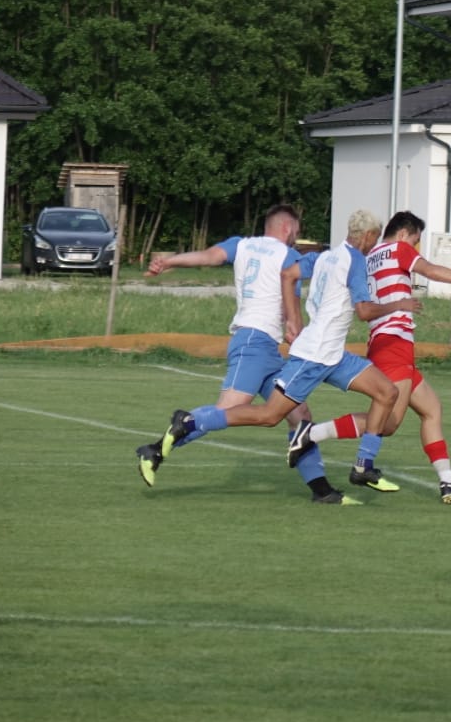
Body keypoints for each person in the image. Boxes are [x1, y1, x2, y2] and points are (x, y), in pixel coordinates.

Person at [149, 209, 419, 502]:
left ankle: (361, 467)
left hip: (332, 353)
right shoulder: (354, 260)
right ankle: (190, 422)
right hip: (313, 355)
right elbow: (364, 311)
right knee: (268, 416)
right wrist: (398, 304)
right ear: (367, 236)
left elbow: (288, 275)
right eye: (374, 238)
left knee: (386, 392)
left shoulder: (325, 256)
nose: (373, 244)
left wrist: (293, 318)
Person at [285, 211, 451, 505]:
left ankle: (448, 482)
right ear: (403, 234)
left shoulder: (369, 257)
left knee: (432, 409)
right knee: (388, 423)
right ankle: (311, 435)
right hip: (394, 342)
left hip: (388, 342)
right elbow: (432, 271)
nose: (416, 248)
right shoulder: (397, 249)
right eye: (416, 240)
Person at [133, 203, 344, 504]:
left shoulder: (241, 245)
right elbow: (291, 307)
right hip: (254, 343)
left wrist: (169, 261)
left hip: (264, 348)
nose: (297, 237)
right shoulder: (288, 256)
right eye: (297, 231)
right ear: (287, 228)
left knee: (299, 413)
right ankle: (159, 445)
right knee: (228, 409)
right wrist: (295, 326)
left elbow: (207, 257)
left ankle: (322, 491)